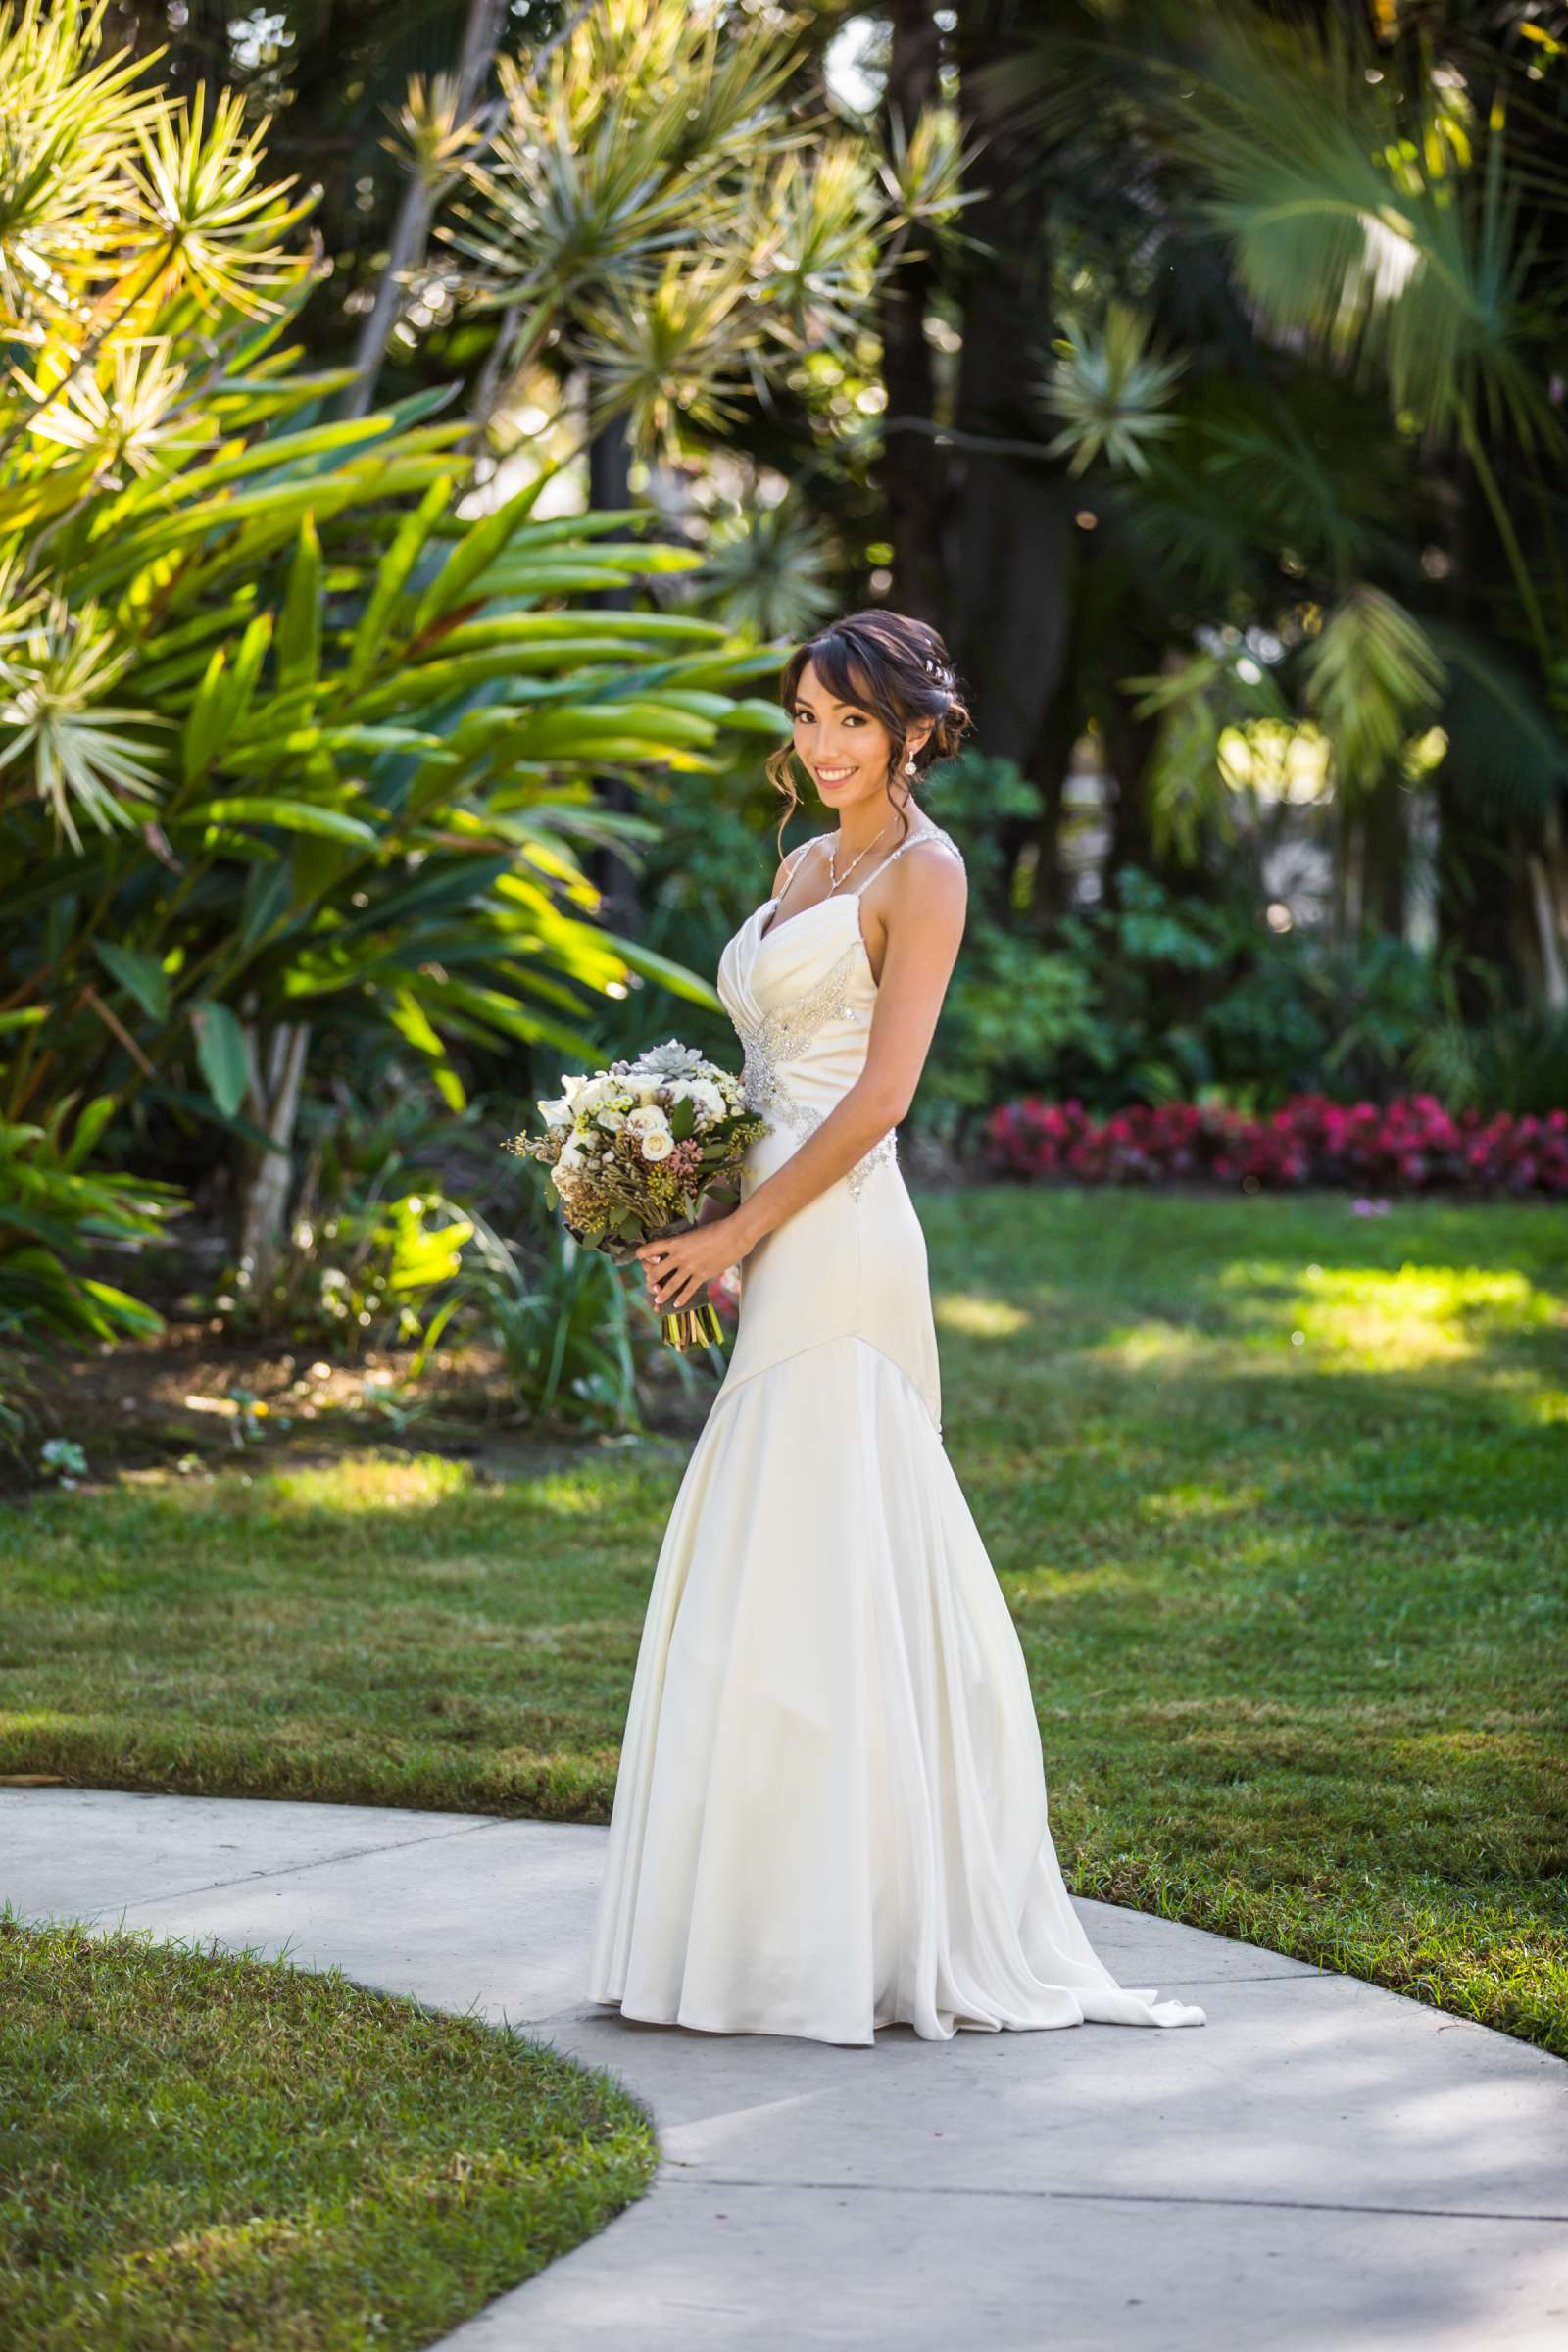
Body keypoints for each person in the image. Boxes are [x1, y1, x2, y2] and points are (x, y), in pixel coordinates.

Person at [586, 610, 1205, 2043]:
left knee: (836, 1538)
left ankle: (860, 1927)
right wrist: (666, 1178)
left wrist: (739, 1228)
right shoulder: (805, 861)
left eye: (850, 722)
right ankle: (755, 1918)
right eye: (806, 716)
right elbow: (764, 1071)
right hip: (764, 1216)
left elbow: (878, 1098)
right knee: (773, 1552)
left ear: (916, 731)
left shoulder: (926, 873)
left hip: (845, 1234)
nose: (820, 746)